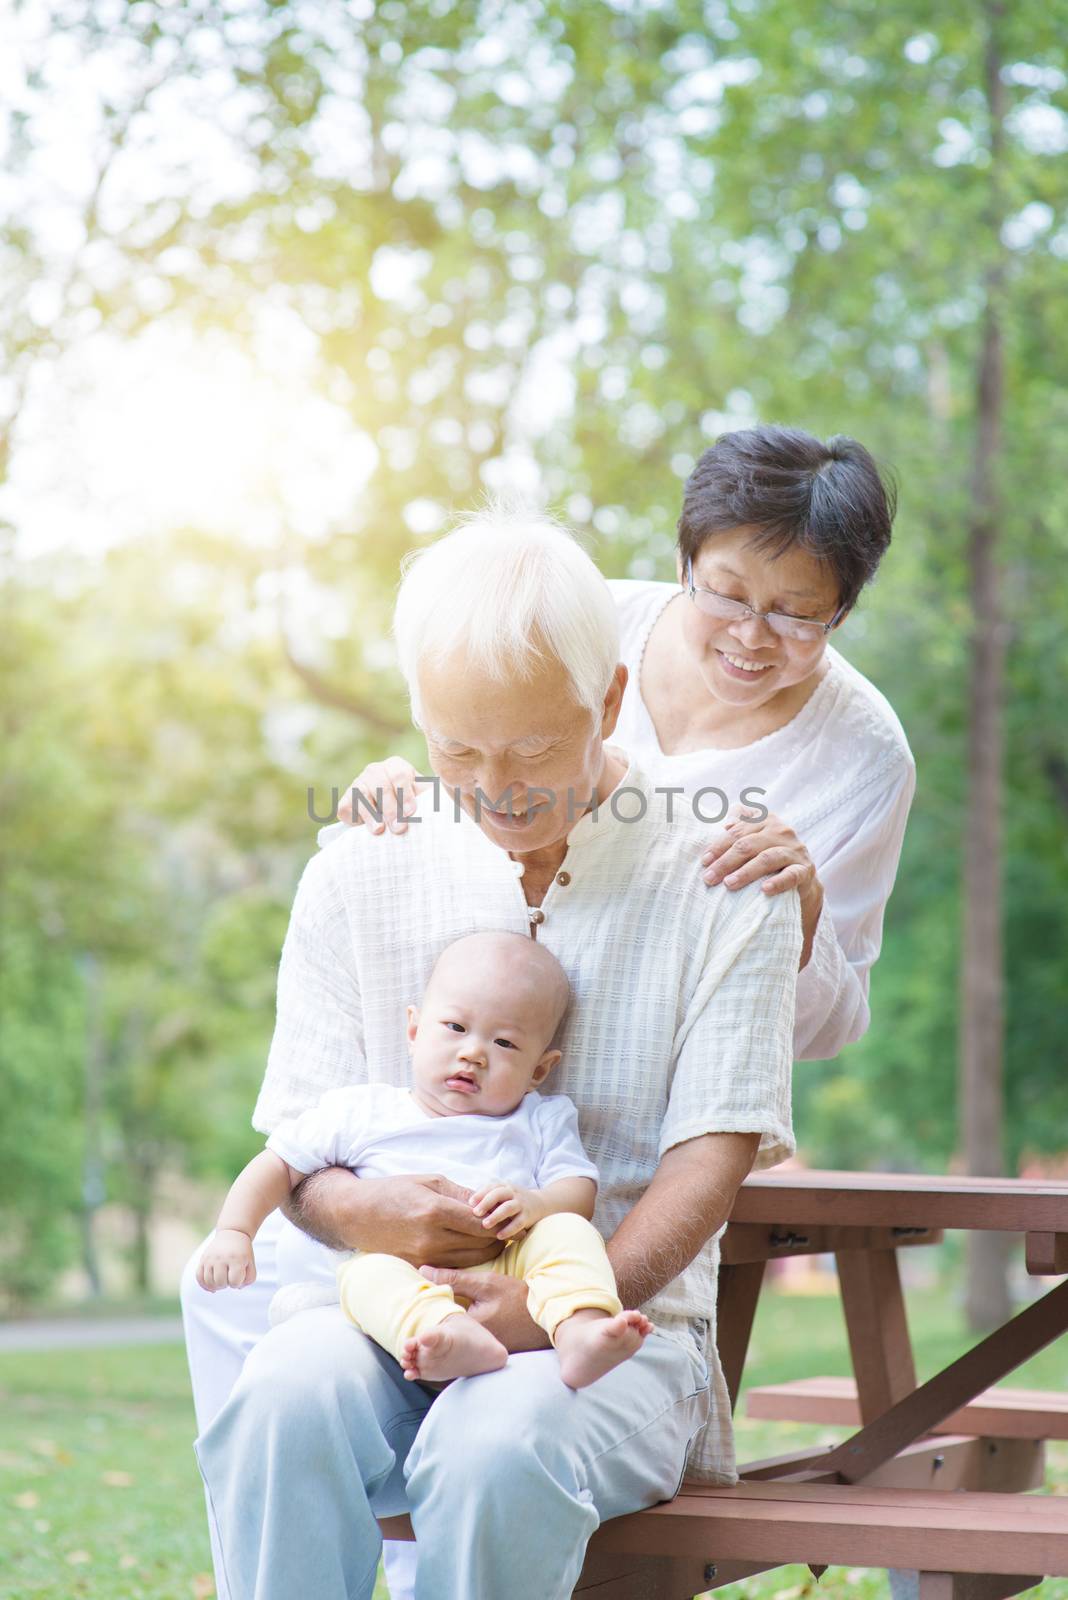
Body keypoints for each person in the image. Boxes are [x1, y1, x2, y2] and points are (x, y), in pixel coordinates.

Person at [184, 504, 801, 1600]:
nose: (495, 786)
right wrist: (384, 1221)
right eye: (457, 749)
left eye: (529, 748)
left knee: (495, 1443)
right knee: (279, 1396)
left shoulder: (723, 870)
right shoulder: (359, 866)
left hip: (613, 1336)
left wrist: (557, 1297)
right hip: (368, 1311)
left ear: (608, 700)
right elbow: (303, 1145)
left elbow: (713, 1155)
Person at [340, 426, 915, 1063]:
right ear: (683, 562)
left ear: (841, 612)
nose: (752, 636)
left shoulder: (866, 758)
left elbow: (826, 1033)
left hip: (662, 1087)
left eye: (796, 614)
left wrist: (803, 916)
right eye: (726, 594)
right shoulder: (578, 626)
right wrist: (406, 792)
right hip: (482, 1061)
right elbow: (473, 751)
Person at [196, 930, 652, 1390]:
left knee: (568, 1230)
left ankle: (580, 1329)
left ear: (538, 1070)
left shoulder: (540, 1119)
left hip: (511, 1266)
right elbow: (277, 1164)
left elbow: (579, 1192)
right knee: (362, 1275)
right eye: (455, 1028)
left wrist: (536, 1205)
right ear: (414, 1031)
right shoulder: (363, 1112)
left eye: (504, 1044)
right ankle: (448, 1337)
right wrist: (234, 1231)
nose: (473, 1053)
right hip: (403, 1272)